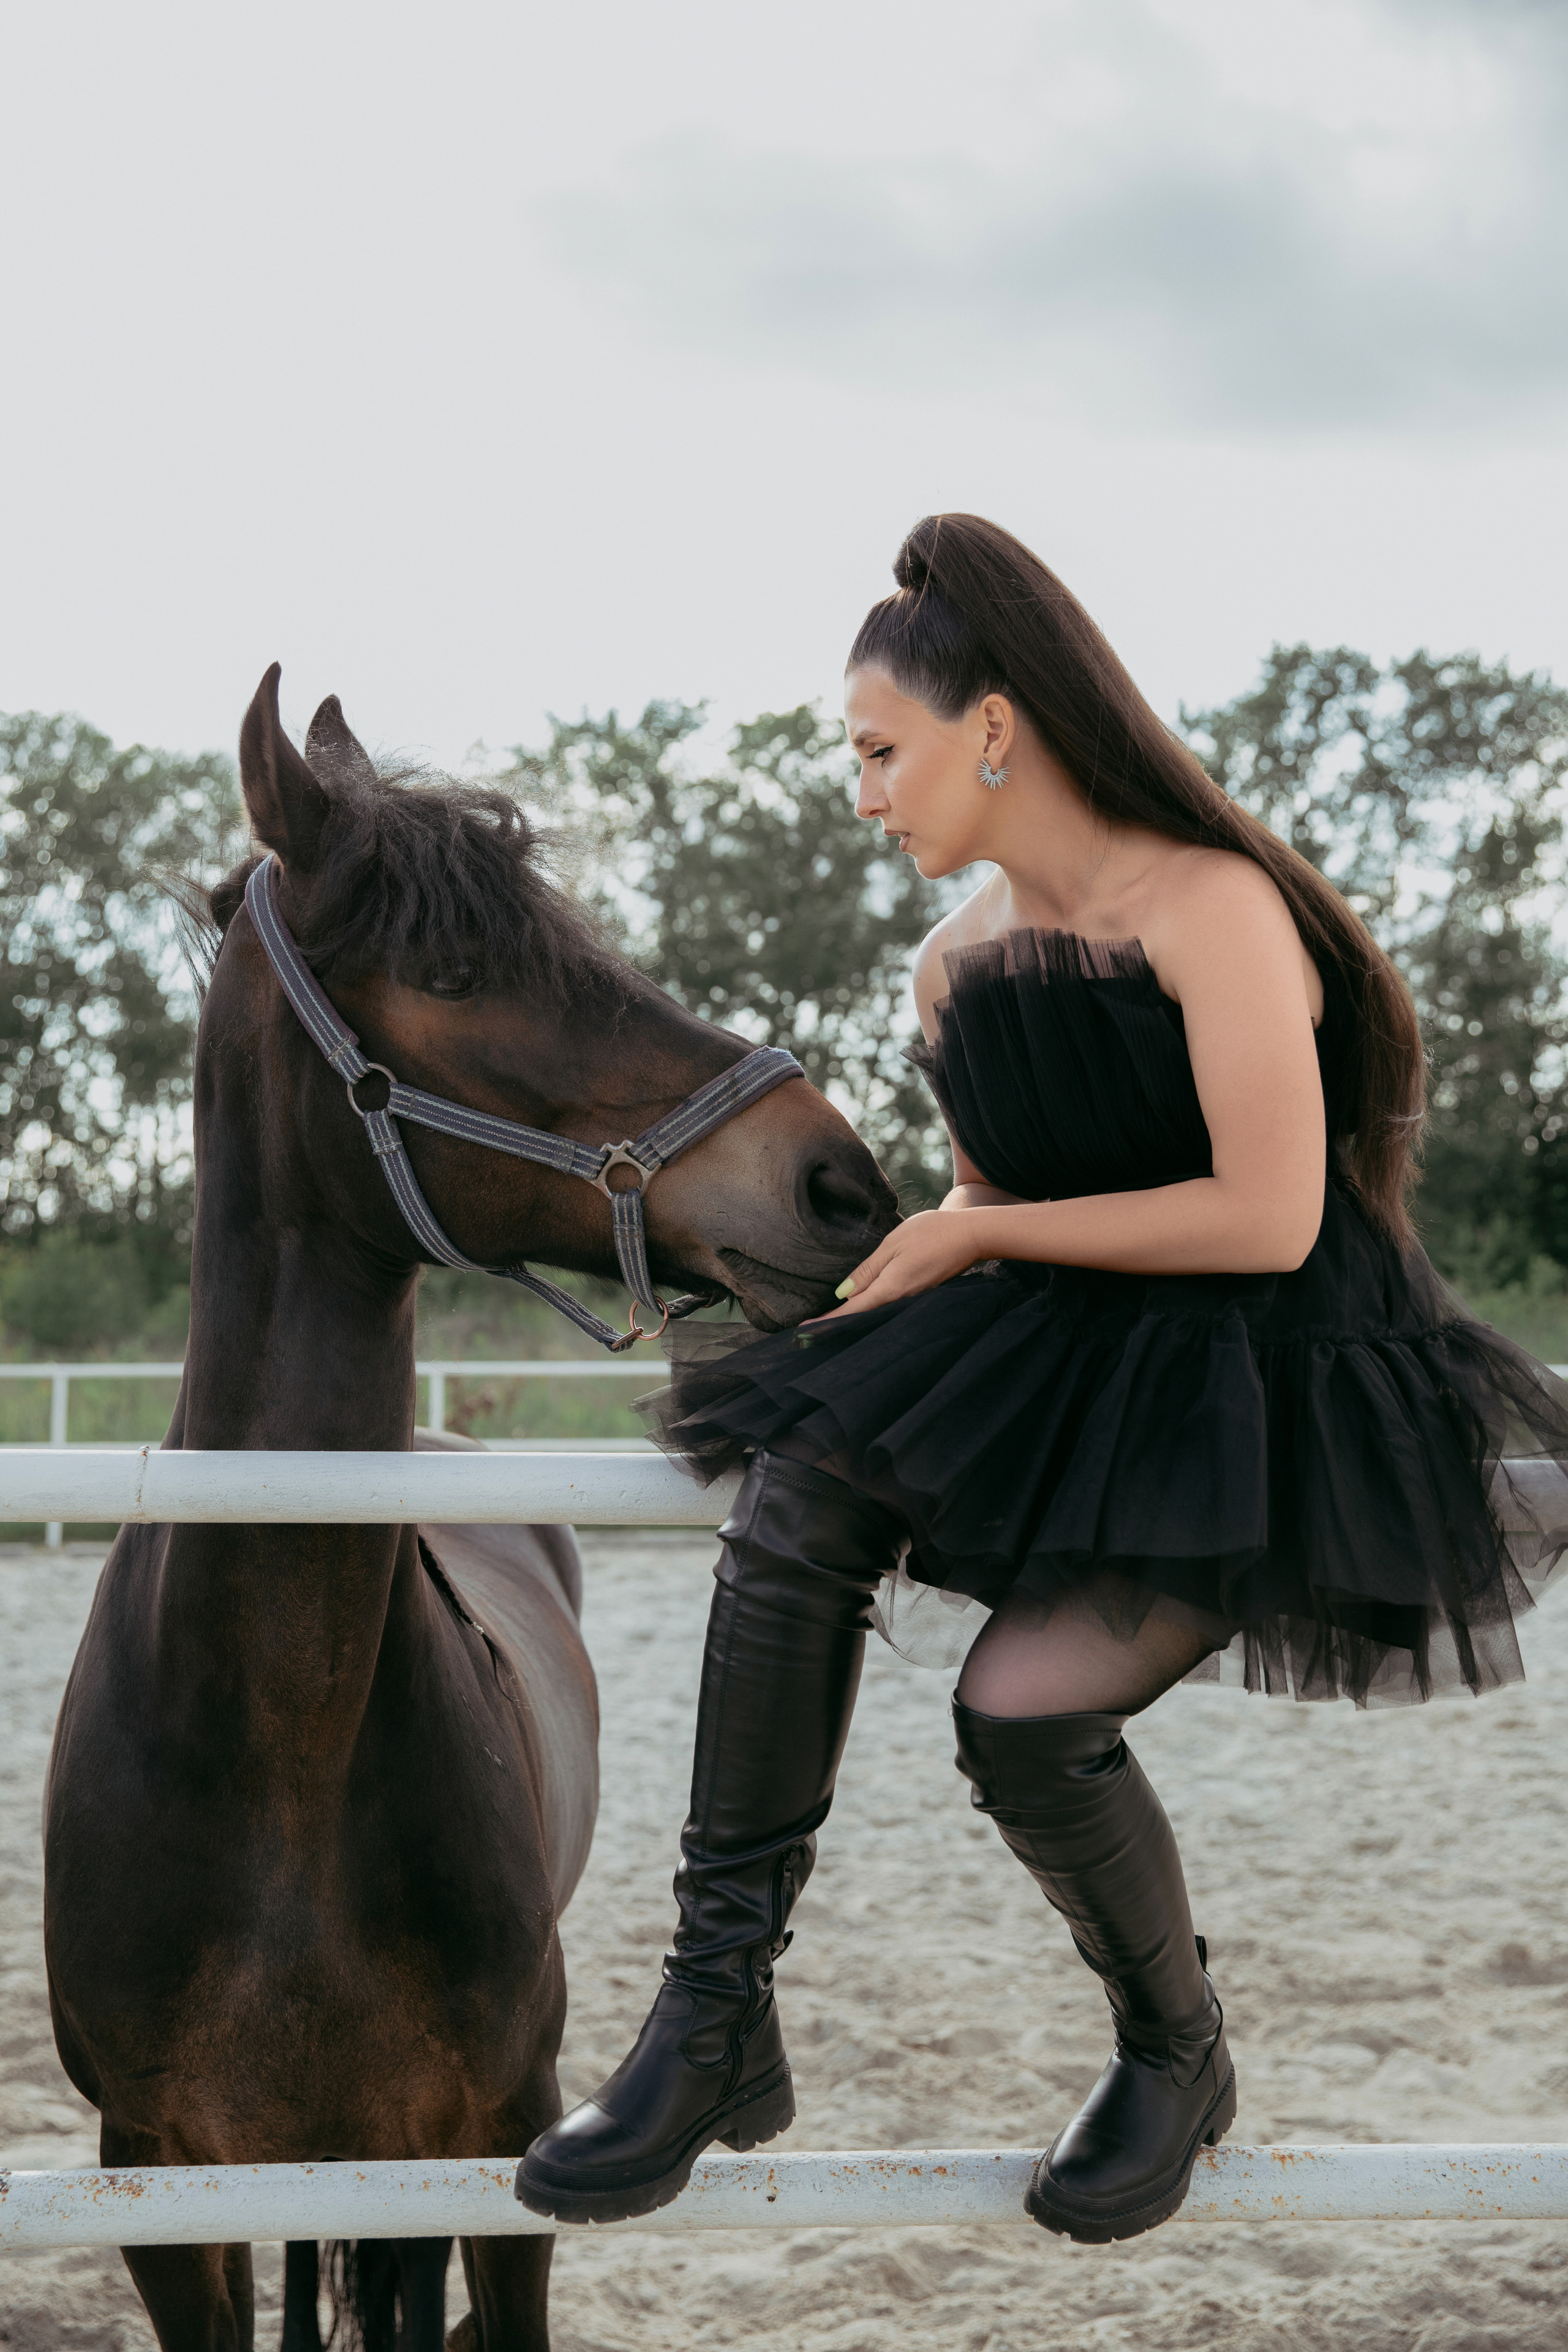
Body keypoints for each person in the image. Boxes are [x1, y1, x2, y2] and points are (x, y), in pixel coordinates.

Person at [515, 512, 1568, 2245]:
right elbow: (1001, 1200)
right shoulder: (949, 969)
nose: (863, 794)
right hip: (1082, 1348)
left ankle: (1177, 2048)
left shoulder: (1213, 903)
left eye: (881, 751)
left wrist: (983, 1232)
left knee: (1019, 1715)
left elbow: (1270, 1215)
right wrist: (943, 1250)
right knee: (800, 1483)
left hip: (1269, 1372)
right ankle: (713, 2016)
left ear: (992, 727)